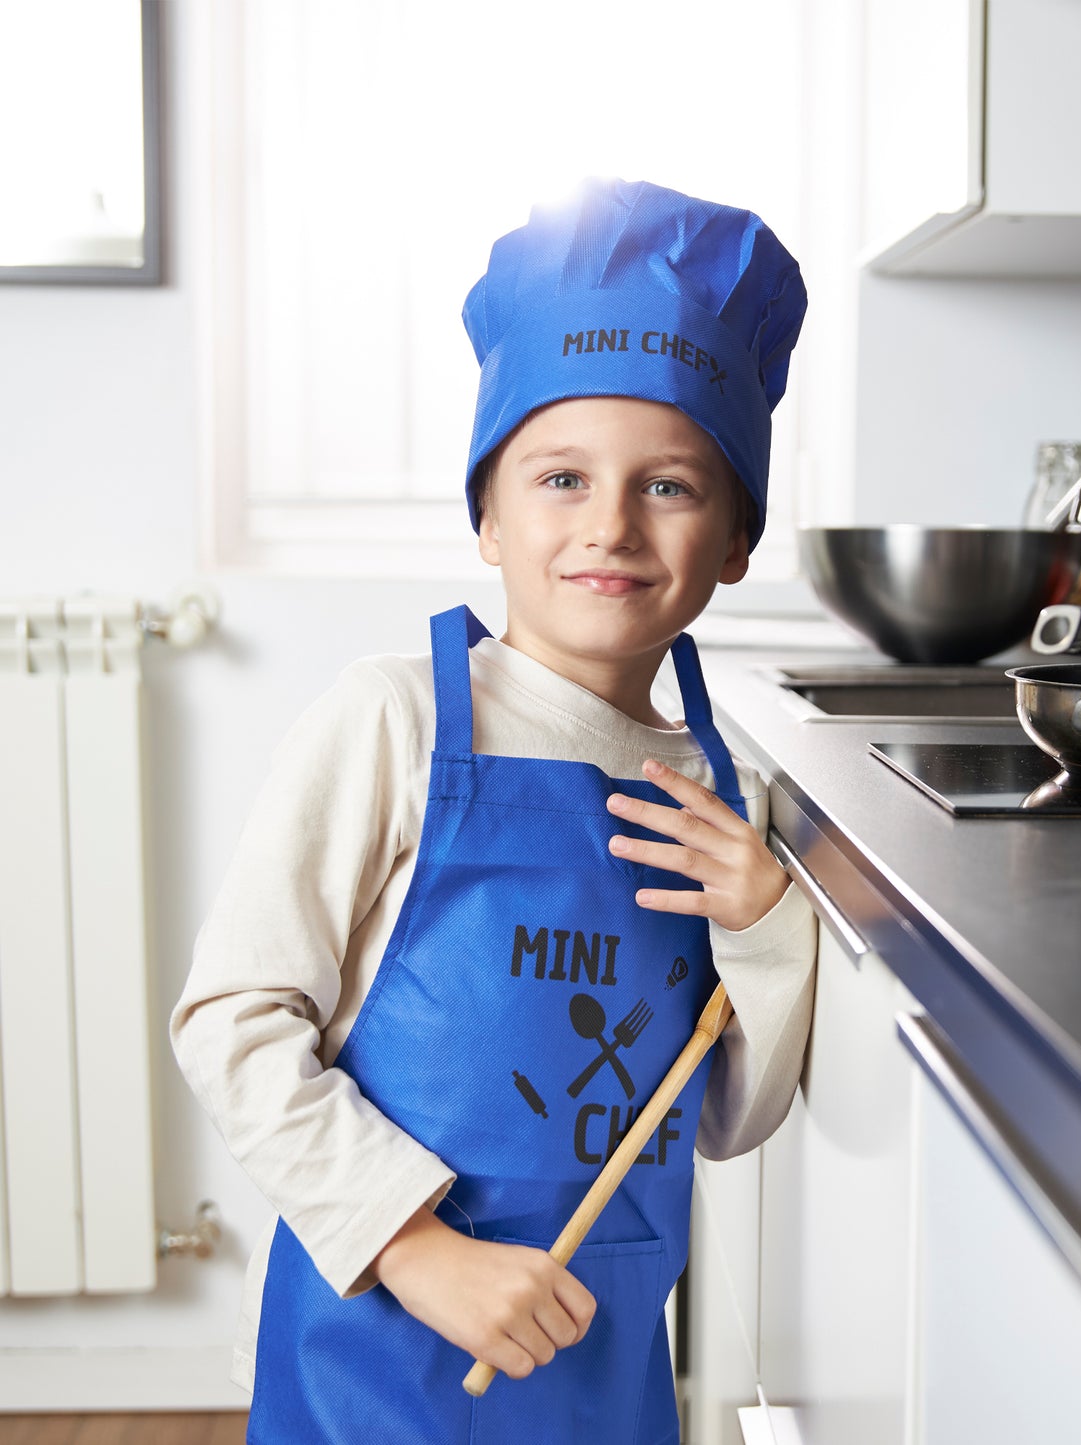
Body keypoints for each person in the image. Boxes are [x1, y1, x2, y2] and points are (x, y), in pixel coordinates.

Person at [170, 177, 817, 1444]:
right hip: (382, 1343)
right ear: (486, 512)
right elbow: (231, 1023)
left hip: (601, 1349)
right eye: (560, 476)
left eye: (671, 486)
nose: (610, 527)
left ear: (737, 534)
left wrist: (766, 926)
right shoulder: (390, 722)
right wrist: (416, 1248)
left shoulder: (725, 789)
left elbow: (728, 1118)